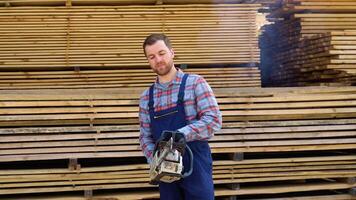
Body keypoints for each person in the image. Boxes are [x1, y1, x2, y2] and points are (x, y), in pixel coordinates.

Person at [139, 33, 222, 200]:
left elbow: (213, 119)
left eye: (162, 53)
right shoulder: (146, 97)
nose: (158, 60)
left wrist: (180, 135)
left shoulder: (195, 83)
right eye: (152, 57)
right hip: (165, 170)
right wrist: (155, 159)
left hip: (195, 165)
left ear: (172, 53)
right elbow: (145, 136)